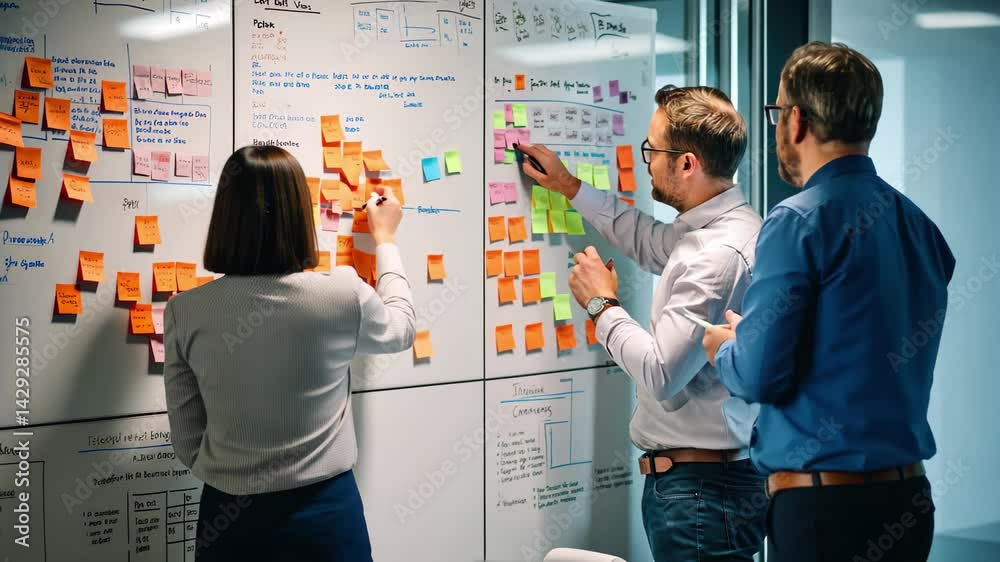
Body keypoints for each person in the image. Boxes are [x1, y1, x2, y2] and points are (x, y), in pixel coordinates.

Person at [702, 42, 955, 562]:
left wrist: (727, 347)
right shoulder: (919, 226)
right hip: (907, 504)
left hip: (825, 514)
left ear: (796, 121)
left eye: (776, 110)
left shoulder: (796, 222)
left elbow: (759, 375)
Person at [516, 85, 765, 561]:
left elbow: (662, 374)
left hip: (701, 494)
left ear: (687, 163)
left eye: (652, 149)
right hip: (706, 485)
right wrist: (571, 187)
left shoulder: (715, 255)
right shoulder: (720, 229)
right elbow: (652, 242)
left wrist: (601, 306)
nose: (645, 159)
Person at [163, 145, 414, 561]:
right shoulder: (341, 293)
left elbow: (188, 440)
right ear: (299, 213)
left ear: (225, 216)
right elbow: (401, 328)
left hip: (229, 521)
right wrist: (386, 239)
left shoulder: (185, 311)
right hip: (326, 516)